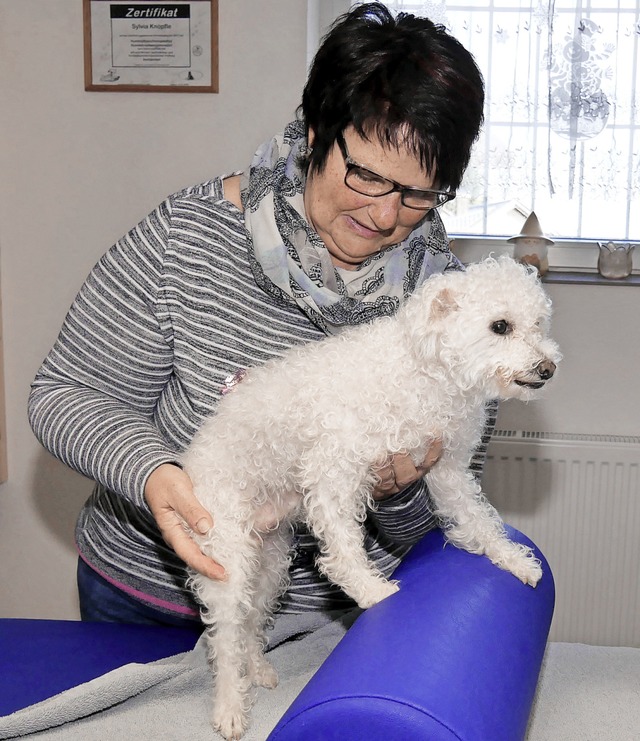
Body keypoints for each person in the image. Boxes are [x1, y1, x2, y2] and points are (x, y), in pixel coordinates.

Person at [28, 3, 489, 629]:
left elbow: (441, 511)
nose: (386, 216)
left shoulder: (451, 307)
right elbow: (64, 395)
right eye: (366, 176)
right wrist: (153, 474)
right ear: (313, 137)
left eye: (418, 194)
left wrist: (397, 490)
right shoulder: (189, 236)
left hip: (311, 615)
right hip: (140, 593)